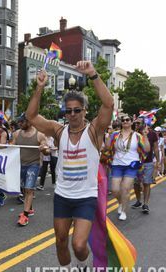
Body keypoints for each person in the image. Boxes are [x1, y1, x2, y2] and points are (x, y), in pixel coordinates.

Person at [26, 61, 114, 269]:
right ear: (64, 113)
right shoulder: (58, 131)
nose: (72, 114)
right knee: (61, 241)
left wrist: (93, 73)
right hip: (63, 196)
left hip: (86, 197)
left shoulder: (94, 131)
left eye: (77, 110)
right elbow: (31, 116)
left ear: (84, 111)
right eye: (68, 111)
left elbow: (108, 104)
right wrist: (39, 86)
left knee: (79, 244)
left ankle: (82, 264)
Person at [106, 116, 150, 220]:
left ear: (131, 122)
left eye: (127, 120)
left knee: (125, 188)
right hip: (117, 163)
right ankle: (121, 202)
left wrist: (145, 135)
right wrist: (109, 135)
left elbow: (147, 149)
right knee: (115, 189)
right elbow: (107, 147)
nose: (125, 121)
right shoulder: (115, 134)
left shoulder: (137, 135)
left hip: (132, 165)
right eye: (123, 120)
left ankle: (124, 211)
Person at [11, 113, 47, 226]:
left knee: (29, 189)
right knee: (23, 189)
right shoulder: (16, 134)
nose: (19, 124)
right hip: (20, 165)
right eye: (19, 122)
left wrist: (45, 149)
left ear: (30, 122)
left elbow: (46, 150)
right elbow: (9, 147)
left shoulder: (40, 135)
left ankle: (25, 215)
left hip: (33, 165)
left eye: (22, 122)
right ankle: (30, 208)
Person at [130, 124, 158, 214]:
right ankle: (138, 201)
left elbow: (156, 147)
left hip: (148, 162)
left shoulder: (153, 134)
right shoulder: (134, 134)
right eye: (136, 123)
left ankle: (145, 204)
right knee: (136, 184)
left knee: (147, 183)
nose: (137, 124)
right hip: (136, 162)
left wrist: (158, 161)